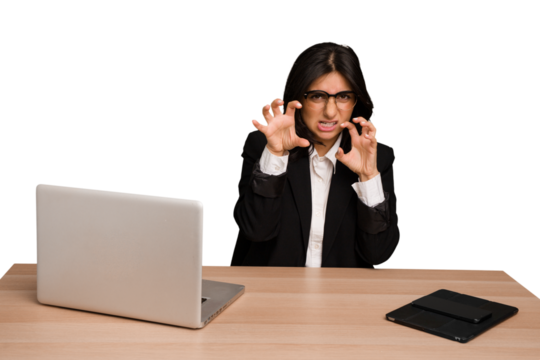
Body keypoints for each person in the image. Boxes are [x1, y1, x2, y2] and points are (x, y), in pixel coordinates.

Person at [230, 40, 400, 267]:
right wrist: (276, 155)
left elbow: (377, 255)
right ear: (298, 98)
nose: (330, 112)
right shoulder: (263, 146)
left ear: (355, 101)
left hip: (341, 298)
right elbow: (256, 231)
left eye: (343, 97)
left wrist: (368, 177)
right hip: (272, 294)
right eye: (318, 96)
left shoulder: (377, 158)